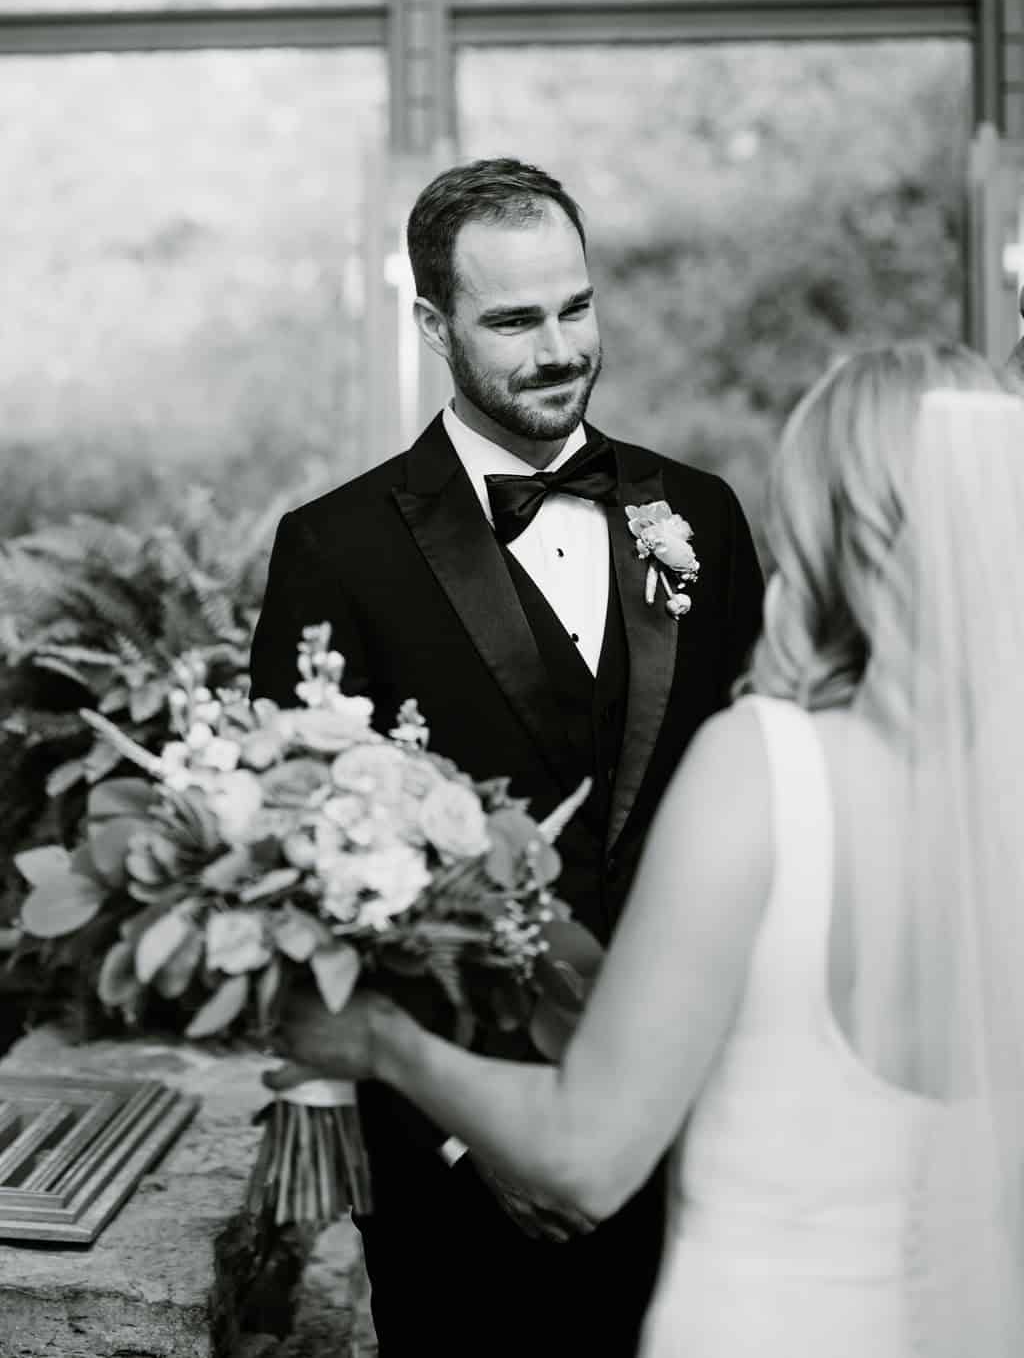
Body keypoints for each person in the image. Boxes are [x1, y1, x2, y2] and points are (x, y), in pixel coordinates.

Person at [269, 340, 1024, 1358]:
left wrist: (375, 1043)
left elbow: (582, 1153)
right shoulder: (996, 793)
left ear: (839, 523)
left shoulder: (766, 768)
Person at [249, 157, 764, 1358]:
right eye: (513, 320)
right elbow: (304, 889)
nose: (557, 348)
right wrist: (478, 1134)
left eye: (575, 307)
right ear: (433, 325)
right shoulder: (335, 549)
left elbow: (758, 804)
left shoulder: (705, 513)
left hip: (695, 1130)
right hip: (463, 1170)